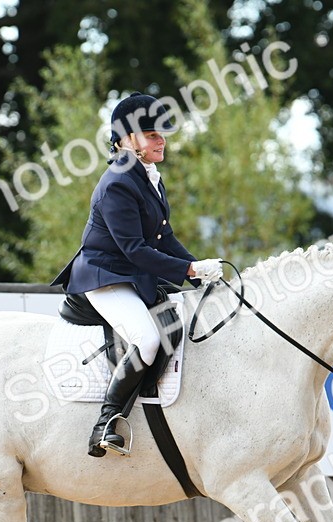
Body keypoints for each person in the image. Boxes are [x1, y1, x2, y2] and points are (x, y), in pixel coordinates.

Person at [52, 91, 223, 457]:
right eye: (152, 135)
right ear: (127, 140)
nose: (161, 141)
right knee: (146, 338)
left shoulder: (149, 178)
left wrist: (199, 275)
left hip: (132, 275)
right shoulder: (117, 182)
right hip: (104, 275)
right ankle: (107, 422)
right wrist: (188, 268)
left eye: (162, 134)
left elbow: (164, 238)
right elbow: (134, 249)